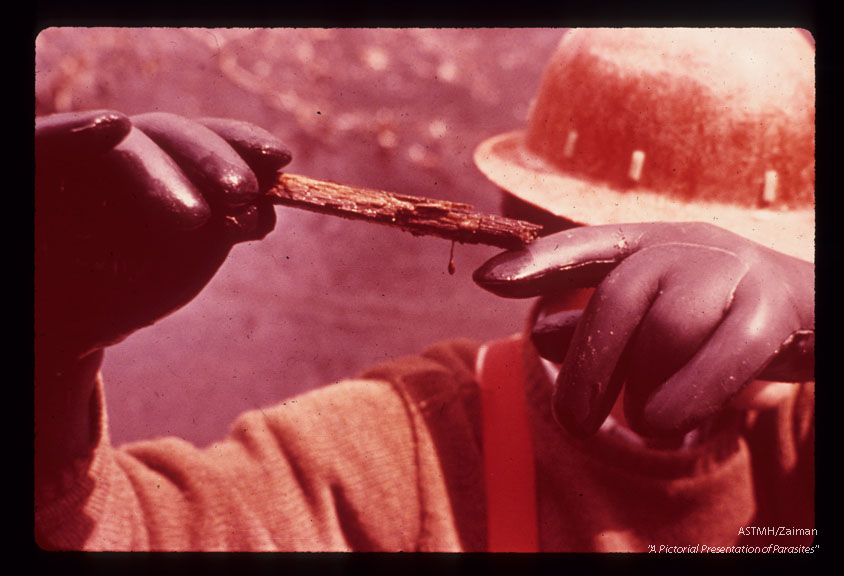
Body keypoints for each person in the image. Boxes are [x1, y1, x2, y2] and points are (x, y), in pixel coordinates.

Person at [34, 28, 815, 552]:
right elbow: (127, 530)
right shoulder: (412, 446)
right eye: (641, 267)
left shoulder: (798, 437)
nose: (703, 317)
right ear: (529, 225)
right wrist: (44, 368)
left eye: (758, 271)